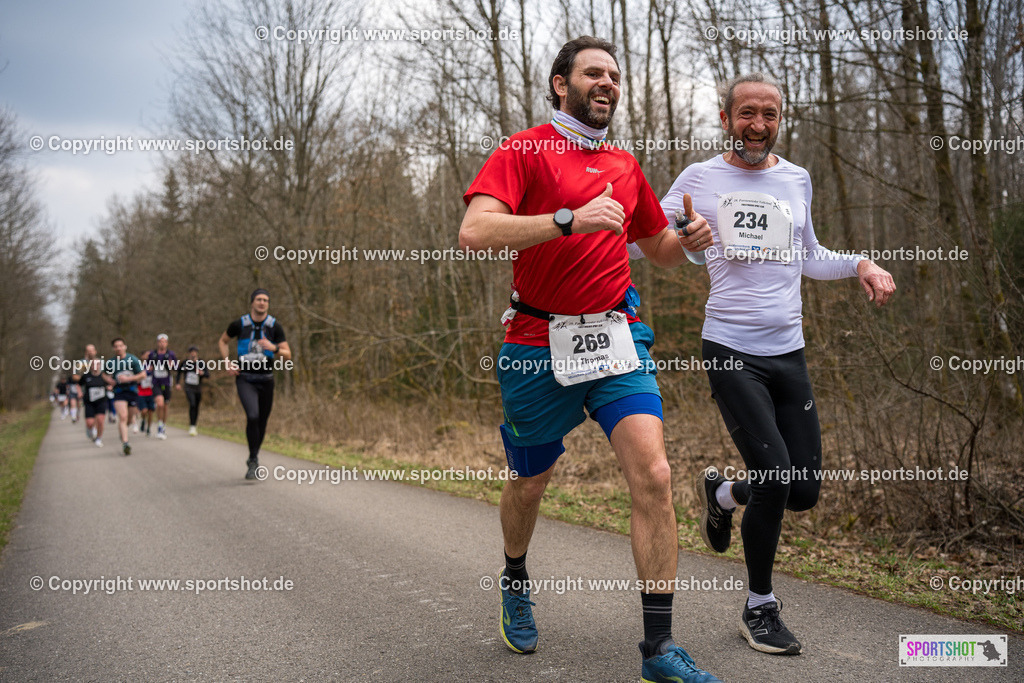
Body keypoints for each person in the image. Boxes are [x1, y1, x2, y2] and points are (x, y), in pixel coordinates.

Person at [459, 36, 719, 683]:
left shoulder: (627, 165)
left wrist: (687, 241)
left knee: (655, 474)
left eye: (614, 75)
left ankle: (658, 649)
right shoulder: (524, 150)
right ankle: (515, 575)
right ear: (560, 84)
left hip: (615, 337)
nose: (607, 83)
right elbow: (476, 231)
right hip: (534, 345)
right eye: (593, 73)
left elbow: (654, 245)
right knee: (530, 481)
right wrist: (566, 219)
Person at [659, 73, 896, 656]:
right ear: (725, 117)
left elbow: (810, 257)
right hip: (731, 349)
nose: (758, 125)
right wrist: (686, 236)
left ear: (779, 120)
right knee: (775, 476)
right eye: (747, 113)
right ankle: (759, 607)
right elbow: (649, 239)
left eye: (769, 114)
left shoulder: (797, 179)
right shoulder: (699, 179)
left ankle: (721, 498)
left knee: (804, 490)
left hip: (788, 353)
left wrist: (860, 263)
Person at [218, 289, 290, 480]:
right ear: (252, 302)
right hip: (245, 378)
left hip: (266, 380)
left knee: (263, 422)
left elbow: (287, 354)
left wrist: (274, 348)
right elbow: (223, 341)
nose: (262, 303)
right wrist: (227, 361)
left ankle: (253, 458)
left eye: (266, 300)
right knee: (253, 415)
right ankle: (254, 460)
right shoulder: (240, 324)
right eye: (259, 299)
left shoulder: (274, 326)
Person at [104, 337, 147, 455]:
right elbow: (103, 374)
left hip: (132, 391)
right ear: (113, 348)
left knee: (129, 419)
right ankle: (125, 443)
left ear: (125, 346)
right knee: (123, 416)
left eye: (120, 345)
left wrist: (129, 378)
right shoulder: (111, 362)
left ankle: (123, 432)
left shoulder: (132, 359)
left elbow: (143, 375)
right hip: (118, 392)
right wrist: (109, 380)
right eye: (116, 346)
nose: (118, 348)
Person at [147, 333, 177, 439]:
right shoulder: (152, 354)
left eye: (164, 341)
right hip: (156, 383)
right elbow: (148, 367)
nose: (162, 343)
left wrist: (172, 365)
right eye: (160, 341)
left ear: (167, 343)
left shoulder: (171, 354)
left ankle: (163, 425)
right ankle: (159, 426)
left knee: (165, 406)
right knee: (159, 404)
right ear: (157, 343)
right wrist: (149, 369)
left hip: (167, 383)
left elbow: (176, 368)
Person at [176, 345, 209, 435]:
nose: (193, 353)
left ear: (197, 353)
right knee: (192, 403)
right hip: (188, 387)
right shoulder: (185, 363)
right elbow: (179, 372)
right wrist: (177, 383)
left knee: (196, 406)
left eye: (195, 351)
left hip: (198, 388)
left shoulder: (201, 363)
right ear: (189, 353)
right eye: (191, 351)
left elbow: (207, 374)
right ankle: (191, 426)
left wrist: (202, 373)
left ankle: (194, 425)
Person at [78, 358, 109, 446]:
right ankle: (90, 429)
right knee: (90, 422)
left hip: (101, 401)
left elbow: (110, 383)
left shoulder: (103, 376)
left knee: (100, 421)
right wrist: (80, 392)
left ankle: (99, 438)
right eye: (93, 364)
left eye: (97, 364)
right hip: (89, 402)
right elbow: (78, 385)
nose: (95, 366)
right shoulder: (86, 376)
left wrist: (110, 387)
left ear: (100, 365)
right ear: (90, 366)